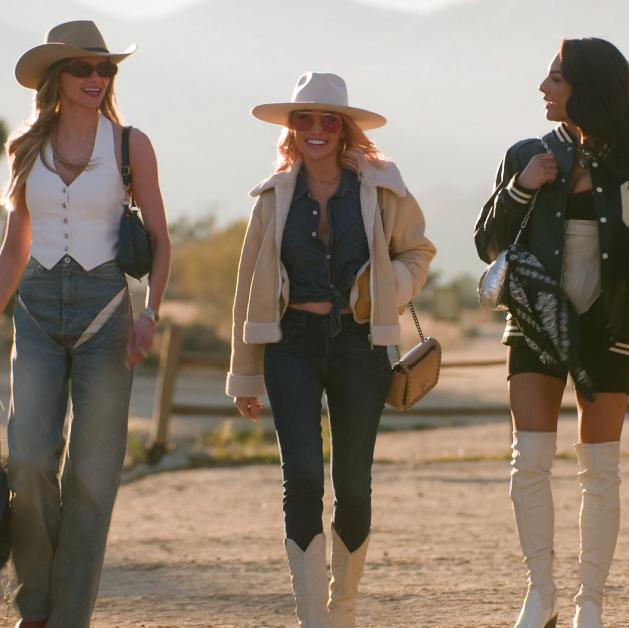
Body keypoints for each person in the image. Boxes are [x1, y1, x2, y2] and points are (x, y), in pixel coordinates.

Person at [0, 20, 171, 628]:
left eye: (105, 68)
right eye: (83, 68)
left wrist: (150, 312)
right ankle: (38, 605)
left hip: (109, 311)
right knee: (26, 459)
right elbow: (14, 243)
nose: (96, 78)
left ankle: (66, 617)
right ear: (57, 76)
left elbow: (160, 240)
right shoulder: (26, 145)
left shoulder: (132, 145)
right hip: (37, 309)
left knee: (93, 473)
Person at [474, 38, 629, 628]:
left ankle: (588, 602)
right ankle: (539, 590)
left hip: (610, 326)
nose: (543, 90)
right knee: (531, 460)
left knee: (600, 467)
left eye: (555, 79)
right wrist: (521, 187)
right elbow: (488, 246)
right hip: (535, 323)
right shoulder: (527, 153)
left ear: (586, 88)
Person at [228, 71, 435, 627]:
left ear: (344, 129)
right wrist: (244, 377)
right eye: (305, 118)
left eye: (328, 120)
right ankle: (311, 619)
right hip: (289, 344)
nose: (316, 128)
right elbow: (249, 286)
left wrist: (388, 285)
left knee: (353, 483)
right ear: (291, 128)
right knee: (300, 477)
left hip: (360, 345)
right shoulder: (272, 196)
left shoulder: (381, 185)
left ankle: (342, 612)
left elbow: (418, 251)